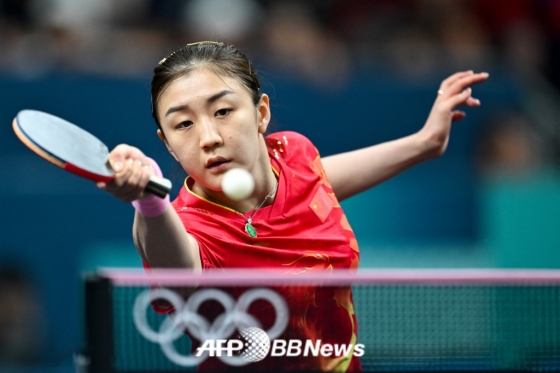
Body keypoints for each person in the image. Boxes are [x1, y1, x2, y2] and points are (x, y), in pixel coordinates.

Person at [97, 41, 488, 372]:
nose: (209, 138)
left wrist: (424, 143)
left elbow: (317, 184)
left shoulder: (293, 154)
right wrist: (149, 202)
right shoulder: (184, 228)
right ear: (166, 143)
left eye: (223, 111)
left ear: (261, 113)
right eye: (184, 125)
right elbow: (176, 262)